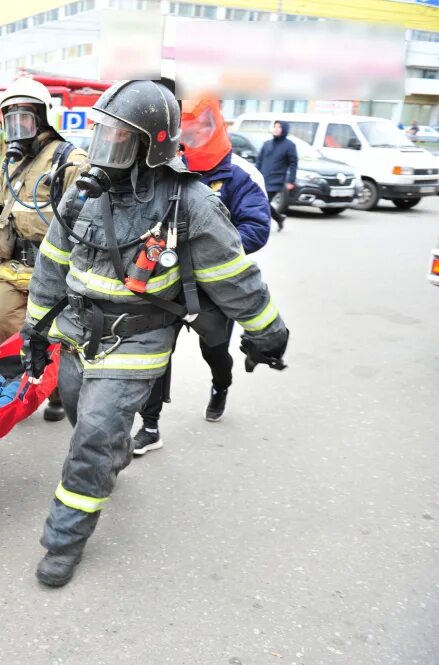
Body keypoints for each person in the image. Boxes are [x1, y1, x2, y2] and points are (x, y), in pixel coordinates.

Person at [20, 80, 289, 587]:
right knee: (86, 422)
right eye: (103, 133)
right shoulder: (85, 190)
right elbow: (52, 264)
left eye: (118, 137)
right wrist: (35, 329)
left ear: (150, 144)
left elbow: (236, 279)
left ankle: (63, 539)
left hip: (136, 342)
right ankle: (111, 452)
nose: (104, 146)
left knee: (92, 440)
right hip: (77, 333)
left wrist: (268, 334)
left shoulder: (190, 203)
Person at [132, 96, 272, 456]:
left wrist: (205, 248)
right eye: (186, 128)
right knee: (155, 353)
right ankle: (149, 426)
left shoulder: (241, 174)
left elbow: (257, 228)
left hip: (214, 291)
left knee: (215, 351)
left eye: (199, 126)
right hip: (169, 284)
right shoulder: (168, 167)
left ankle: (221, 385)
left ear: (214, 124)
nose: (192, 135)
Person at [0, 77, 87, 422]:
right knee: (1, 328)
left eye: (26, 118)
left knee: (56, 337)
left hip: (54, 273)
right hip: (14, 268)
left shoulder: (71, 160)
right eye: (11, 119)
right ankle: (15, 389)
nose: (17, 127)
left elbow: (87, 221)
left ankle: (56, 393)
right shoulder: (10, 162)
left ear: (44, 118)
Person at [255, 120, 297, 232]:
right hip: (263, 178)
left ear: (284, 129)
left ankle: (263, 226)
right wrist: (254, 174)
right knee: (263, 202)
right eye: (275, 126)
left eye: (279, 127)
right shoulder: (267, 144)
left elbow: (293, 164)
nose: (276, 129)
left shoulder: (289, 145)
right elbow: (259, 161)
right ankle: (279, 218)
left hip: (277, 180)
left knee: (263, 202)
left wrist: (291, 181)